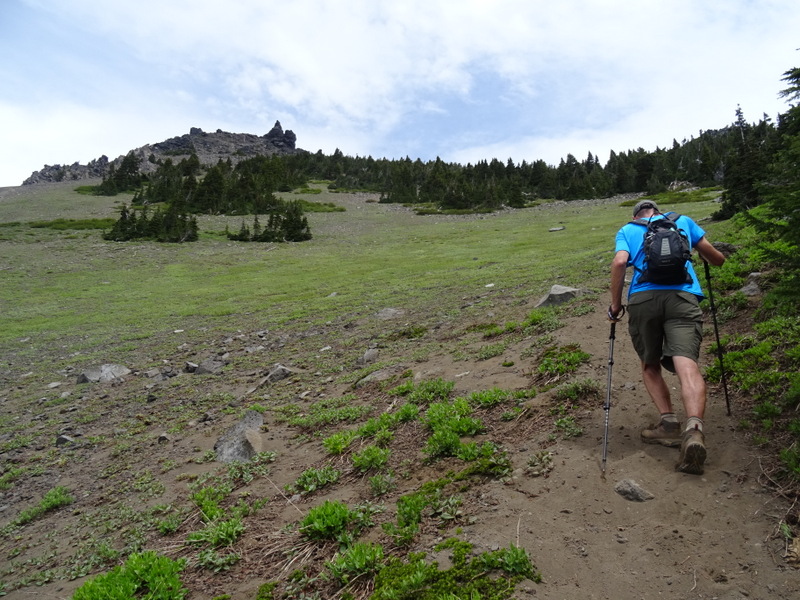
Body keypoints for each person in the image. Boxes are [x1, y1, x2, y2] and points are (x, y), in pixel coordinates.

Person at [609, 200, 726, 475]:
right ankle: (694, 429)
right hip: (683, 297)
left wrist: (615, 306)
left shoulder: (627, 229)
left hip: (643, 299)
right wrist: (709, 257)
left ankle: (669, 424)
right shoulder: (683, 221)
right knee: (687, 363)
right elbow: (717, 259)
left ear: (635, 215)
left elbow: (619, 262)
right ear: (659, 212)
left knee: (649, 364)